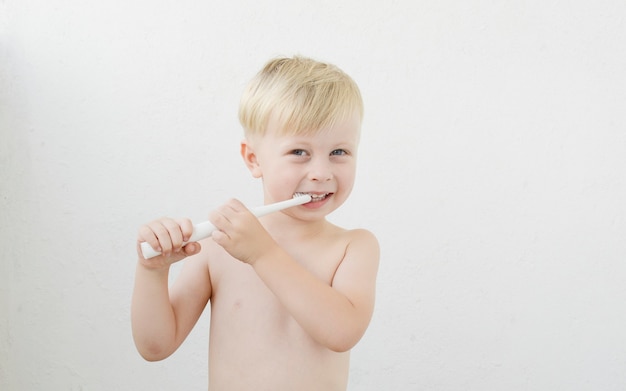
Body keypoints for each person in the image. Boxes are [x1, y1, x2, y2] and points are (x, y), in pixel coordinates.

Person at [131, 55, 380, 391]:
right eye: (299, 152)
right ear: (253, 159)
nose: (322, 172)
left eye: (339, 152)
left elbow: (341, 332)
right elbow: (155, 347)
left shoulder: (353, 247)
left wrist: (262, 254)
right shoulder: (216, 247)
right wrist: (152, 271)